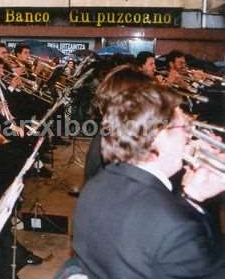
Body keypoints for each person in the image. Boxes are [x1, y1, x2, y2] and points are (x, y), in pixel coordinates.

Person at [73, 83, 225, 278]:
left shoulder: (99, 183)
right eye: (185, 127)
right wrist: (197, 204)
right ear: (158, 136)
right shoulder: (178, 226)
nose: (190, 134)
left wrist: (191, 197)